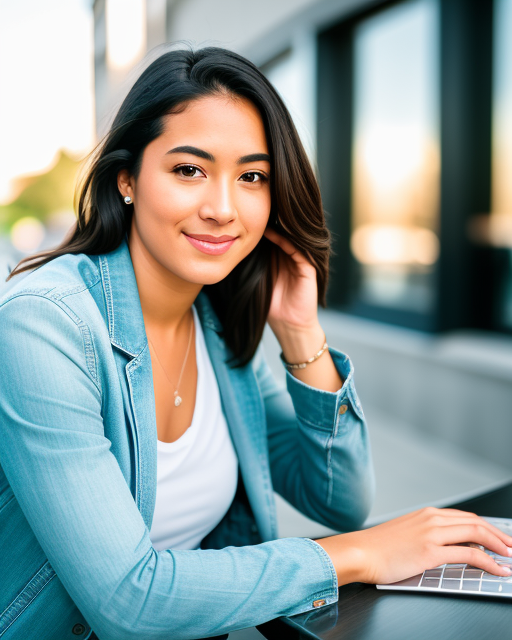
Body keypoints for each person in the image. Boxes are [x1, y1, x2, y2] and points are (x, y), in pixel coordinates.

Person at [0, 46, 510, 640]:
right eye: (189, 170)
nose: (222, 208)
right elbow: (127, 602)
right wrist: (360, 554)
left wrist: (300, 333)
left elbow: (339, 498)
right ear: (127, 179)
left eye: (252, 177)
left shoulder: (215, 323)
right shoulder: (45, 326)